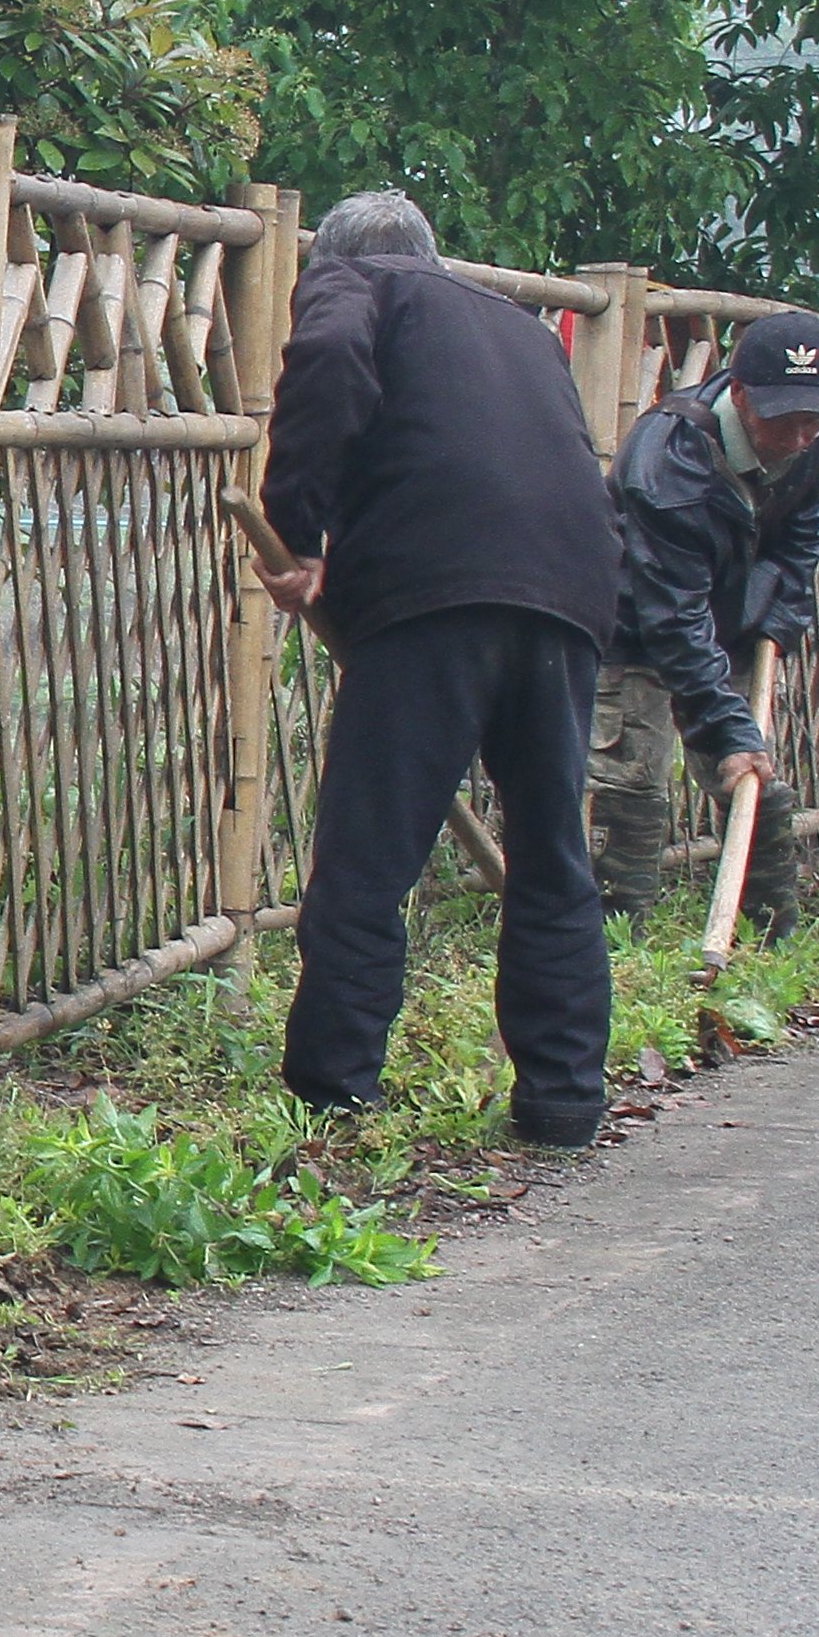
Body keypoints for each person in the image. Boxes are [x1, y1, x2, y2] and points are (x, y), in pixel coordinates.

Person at [256, 191, 621, 1146]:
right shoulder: (519, 327)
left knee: (368, 860)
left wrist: (297, 534)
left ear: (333, 261)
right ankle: (565, 1099)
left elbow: (329, 360)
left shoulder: (356, 282)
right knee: (552, 854)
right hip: (572, 592)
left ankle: (334, 1103)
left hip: (435, 596)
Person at [593, 306, 819, 929]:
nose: (801, 438)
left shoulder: (814, 436)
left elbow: (800, 534)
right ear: (740, 394)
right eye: (785, 420)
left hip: (727, 620)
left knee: (752, 775)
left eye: (814, 420)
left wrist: (777, 612)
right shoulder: (668, 463)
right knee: (633, 786)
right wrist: (726, 729)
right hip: (633, 623)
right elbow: (671, 617)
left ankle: (772, 930)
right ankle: (614, 938)